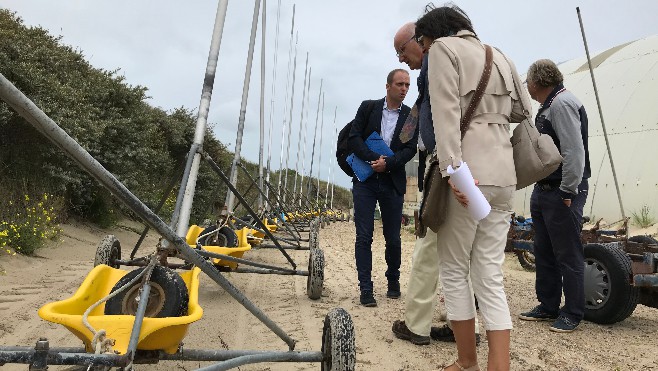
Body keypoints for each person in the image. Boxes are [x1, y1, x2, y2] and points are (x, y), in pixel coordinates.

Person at [414, 4, 529, 370]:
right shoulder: (501, 56)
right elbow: (522, 110)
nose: (423, 48)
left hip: (468, 173)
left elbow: (444, 112)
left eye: (421, 41)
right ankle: (499, 366)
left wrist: (452, 173)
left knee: (454, 269)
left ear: (435, 33)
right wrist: (490, 114)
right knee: (490, 274)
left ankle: (467, 363)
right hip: (504, 174)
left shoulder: (444, 50)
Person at [391, 21, 480, 346]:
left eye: (402, 50)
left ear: (422, 40)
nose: (403, 58)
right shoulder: (478, 57)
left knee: (429, 246)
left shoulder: (436, 59)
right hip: (475, 162)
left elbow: (434, 118)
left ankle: (416, 325)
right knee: (465, 251)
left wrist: (440, 164)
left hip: (446, 165)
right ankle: (468, 329)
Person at [519, 59, 590, 333]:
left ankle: (572, 312)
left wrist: (568, 190)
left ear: (537, 81)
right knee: (544, 250)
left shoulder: (562, 104)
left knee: (567, 253)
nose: (527, 86)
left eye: (528, 82)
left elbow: (574, 151)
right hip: (544, 189)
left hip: (562, 190)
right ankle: (548, 305)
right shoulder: (549, 105)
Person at [348, 68, 418, 307]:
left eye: (407, 85)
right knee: (364, 236)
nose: (404, 89)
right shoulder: (368, 107)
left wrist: (388, 164)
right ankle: (365, 289)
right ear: (388, 86)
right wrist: (372, 159)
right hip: (366, 181)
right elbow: (354, 137)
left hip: (392, 181)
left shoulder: (410, 117)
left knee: (393, 238)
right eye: (400, 84)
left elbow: (409, 150)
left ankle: (393, 281)